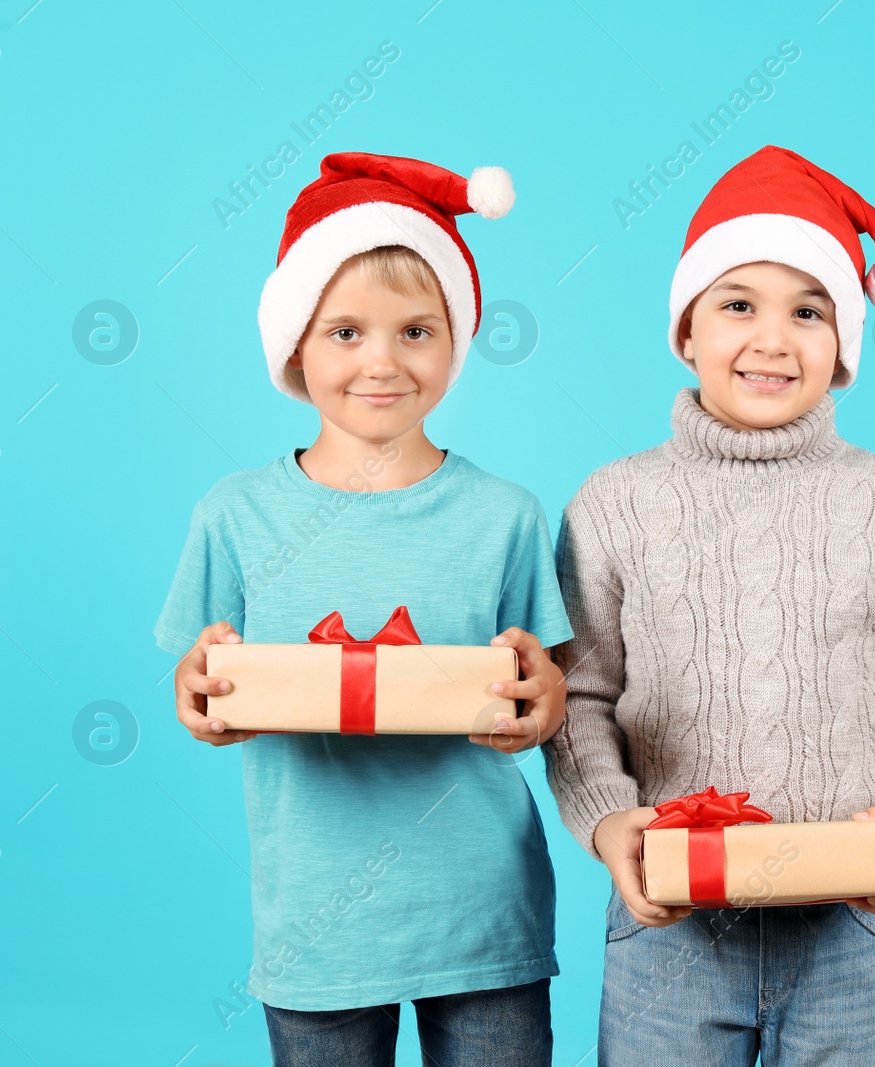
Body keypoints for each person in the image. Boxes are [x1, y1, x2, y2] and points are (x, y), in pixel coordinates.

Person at [544, 144, 875, 1065]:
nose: (773, 339)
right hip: (670, 923)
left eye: (809, 311)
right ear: (687, 329)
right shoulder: (612, 502)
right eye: (738, 303)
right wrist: (610, 816)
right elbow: (577, 698)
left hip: (849, 926)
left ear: (845, 345)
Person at [153, 152, 570, 1067]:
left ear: (456, 342)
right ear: (294, 344)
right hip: (315, 921)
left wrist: (544, 705)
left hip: (482, 907)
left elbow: (551, 683)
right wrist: (198, 692)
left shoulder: (507, 515)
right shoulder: (237, 513)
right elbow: (197, 676)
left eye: (416, 330)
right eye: (345, 332)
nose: (382, 361)